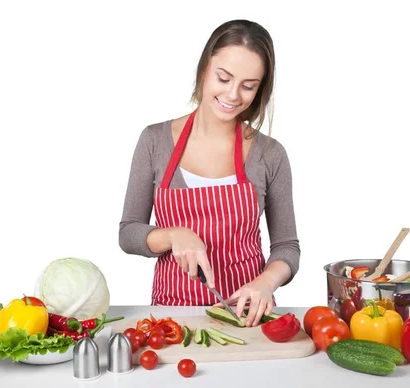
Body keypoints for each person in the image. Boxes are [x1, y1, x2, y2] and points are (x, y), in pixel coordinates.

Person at [119, 19, 300, 327]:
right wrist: (173, 235)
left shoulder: (270, 154)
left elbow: (287, 247)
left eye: (248, 86)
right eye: (223, 78)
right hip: (172, 317)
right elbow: (128, 233)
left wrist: (267, 282)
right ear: (204, 68)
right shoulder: (154, 141)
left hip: (247, 317)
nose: (232, 95)